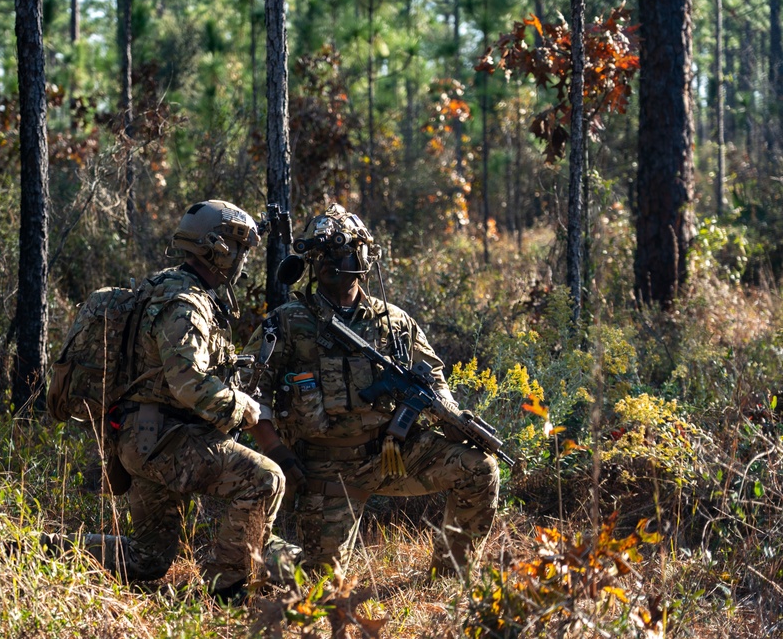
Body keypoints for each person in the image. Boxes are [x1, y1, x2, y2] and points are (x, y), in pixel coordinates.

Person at [245, 203, 500, 579]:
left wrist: (447, 412)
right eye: (321, 256)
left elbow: (433, 376)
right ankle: (263, 550)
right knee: (318, 584)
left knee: (480, 469)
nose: (330, 262)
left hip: (393, 453)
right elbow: (248, 393)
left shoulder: (395, 322)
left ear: (362, 254)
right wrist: (277, 451)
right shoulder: (287, 322)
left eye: (340, 251)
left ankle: (449, 576)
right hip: (326, 468)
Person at [53, 200, 285, 602]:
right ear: (218, 249)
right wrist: (243, 407)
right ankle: (226, 589)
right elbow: (188, 382)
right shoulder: (186, 303)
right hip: (165, 442)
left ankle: (42, 549)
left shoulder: (167, 287)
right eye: (240, 250)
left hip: (143, 438)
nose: (243, 261)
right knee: (265, 479)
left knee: (146, 560)